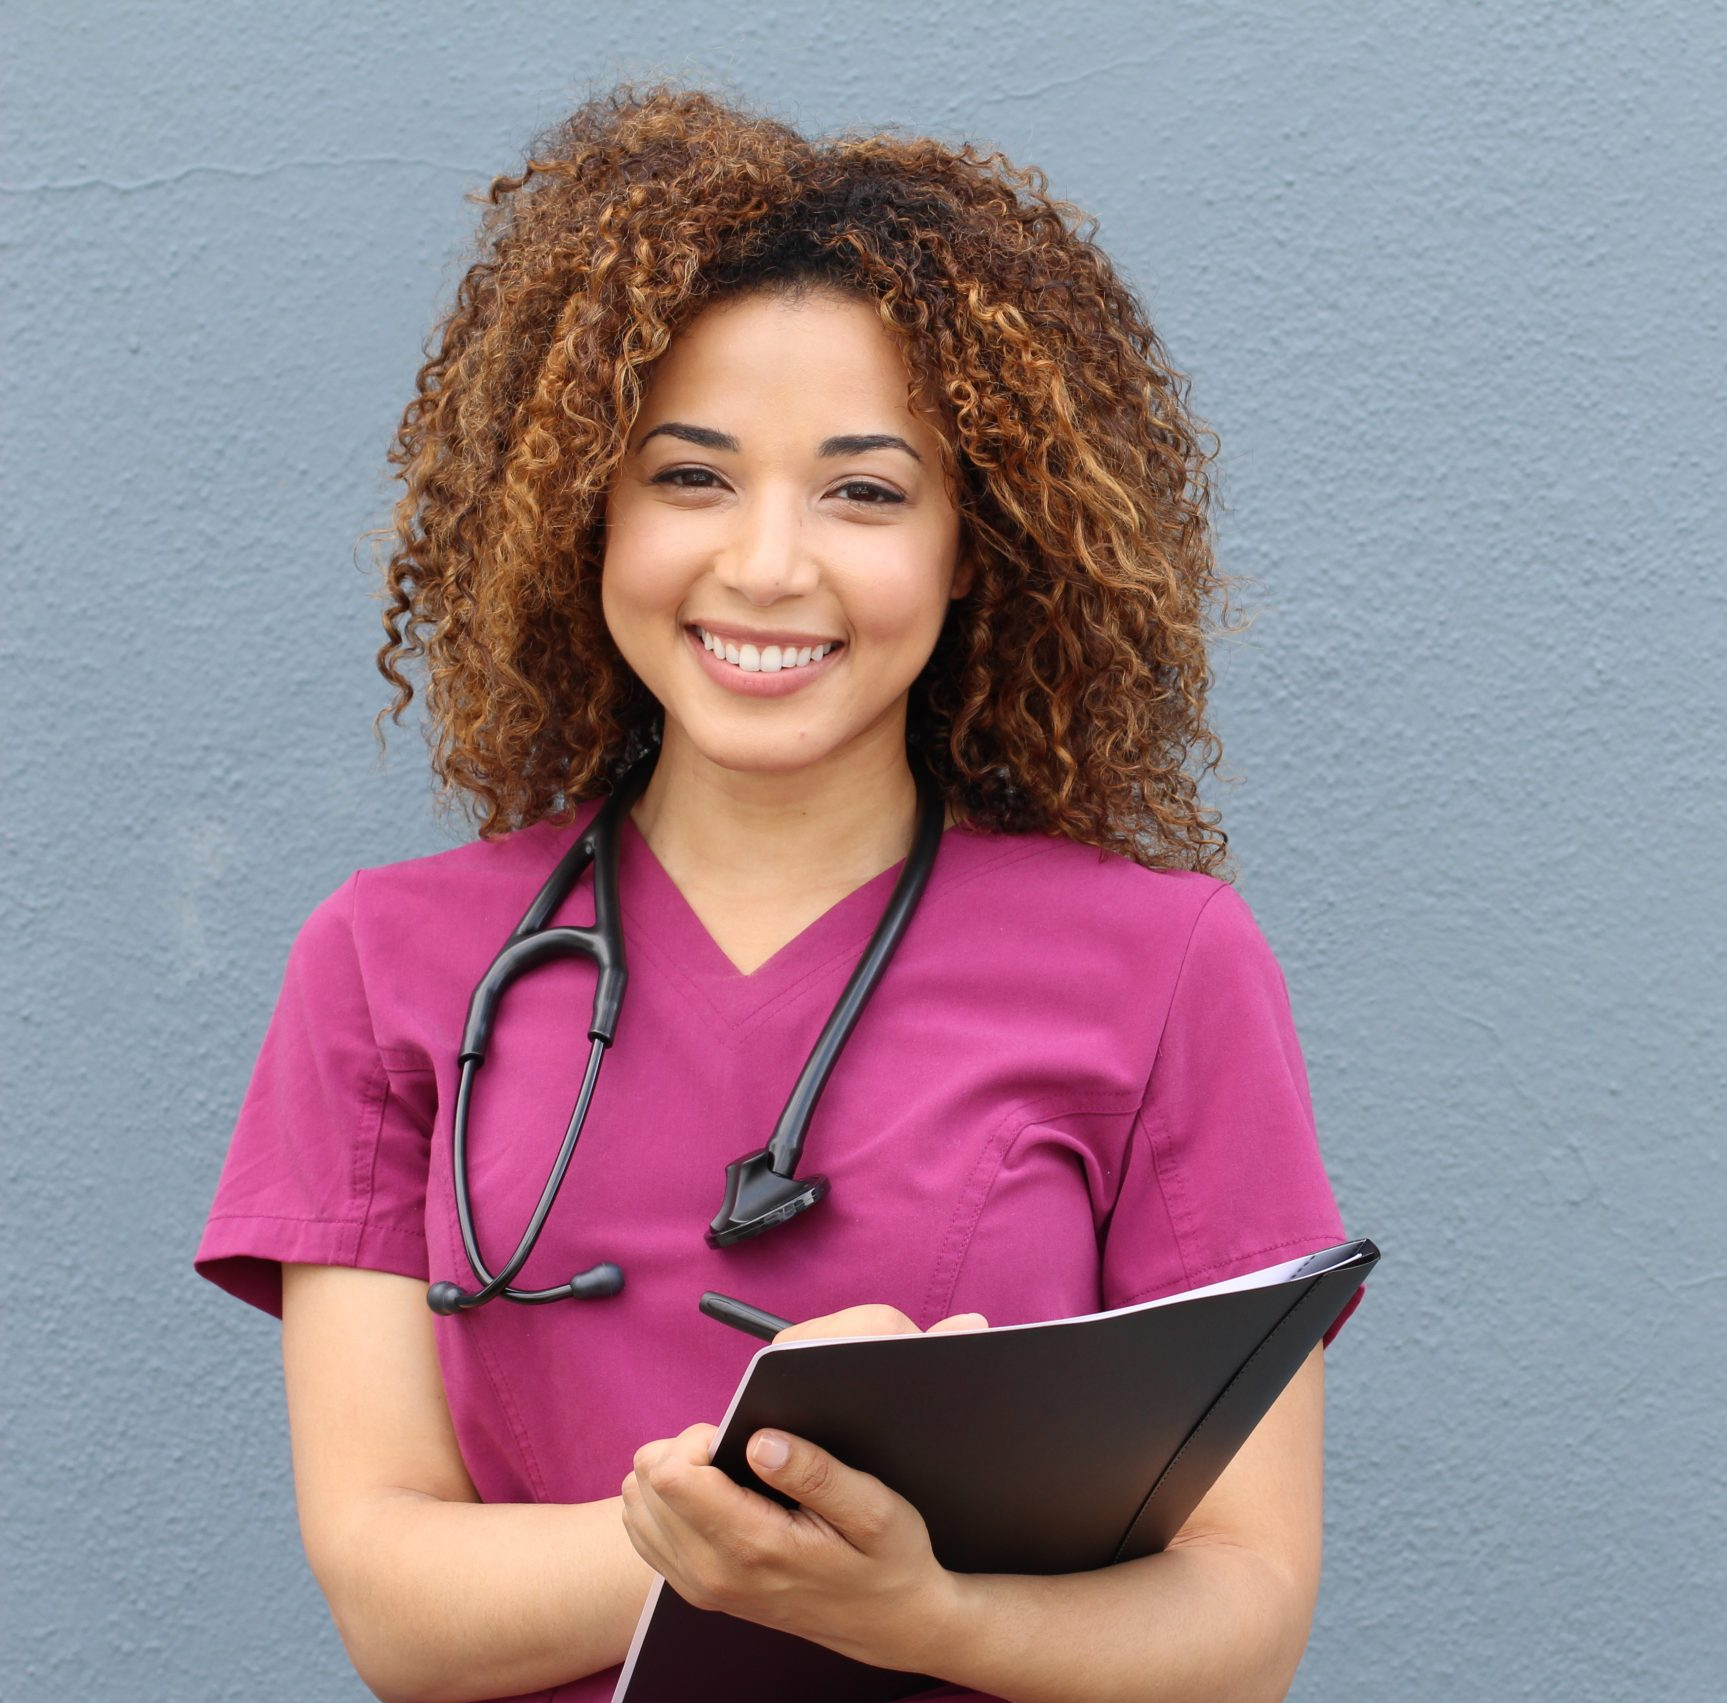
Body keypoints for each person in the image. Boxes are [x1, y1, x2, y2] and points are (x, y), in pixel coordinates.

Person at [192, 82, 1362, 1703]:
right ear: (579, 507)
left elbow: (1243, 1623)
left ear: (976, 546)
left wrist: (922, 1614)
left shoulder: (1165, 966)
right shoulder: (388, 963)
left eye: (865, 491)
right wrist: (739, 1518)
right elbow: (393, 1600)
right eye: (690, 476)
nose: (765, 564)